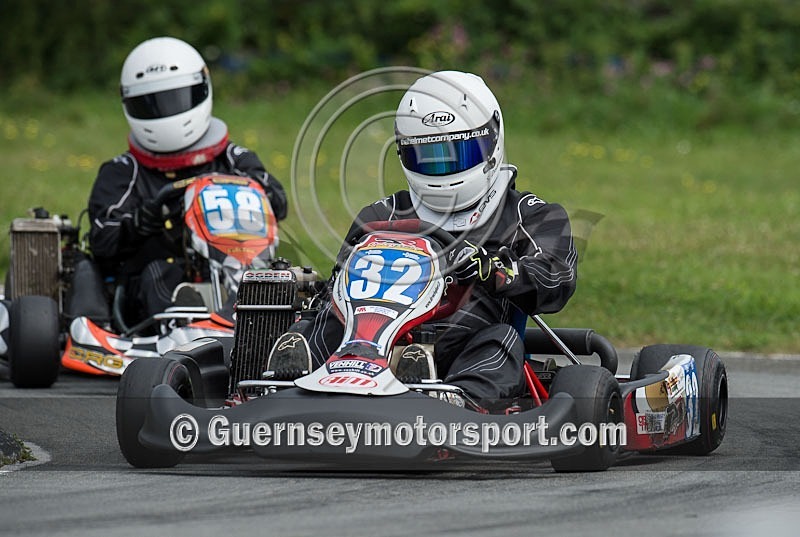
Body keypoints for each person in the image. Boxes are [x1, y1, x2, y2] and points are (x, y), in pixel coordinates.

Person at [269, 70, 576, 409]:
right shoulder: (382, 215)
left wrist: (494, 271)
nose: (443, 167)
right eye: (427, 156)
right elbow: (338, 286)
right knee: (326, 318)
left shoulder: (529, 216)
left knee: (500, 341)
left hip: (462, 345)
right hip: (367, 339)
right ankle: (284, 385)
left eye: (457, 153)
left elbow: (556, 278)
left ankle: (456, 403)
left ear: (492, 140)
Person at [77, 37, 287, 324]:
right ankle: (186, 321)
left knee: (285, 273)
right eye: (152, 104)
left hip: (242, 269)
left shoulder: (234, 160)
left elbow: (277, 201)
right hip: (153, 283)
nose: (167, 112)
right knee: (161, 274)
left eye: (177, 98)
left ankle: (269, 316)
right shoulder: (123, 172)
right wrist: (139, 223)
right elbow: (102, 240)